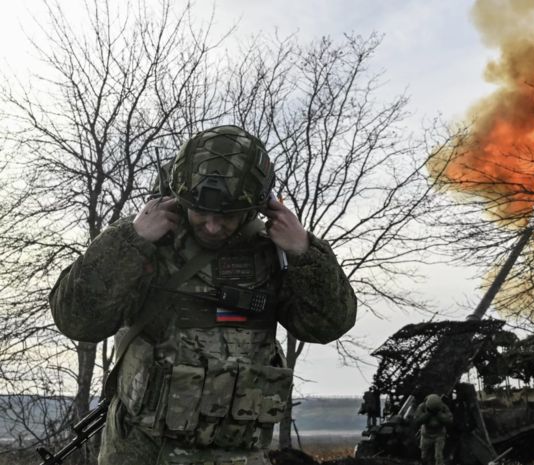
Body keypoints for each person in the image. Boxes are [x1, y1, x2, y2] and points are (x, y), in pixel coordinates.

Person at [49, 125, 357, 465]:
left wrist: (305, 252)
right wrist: (130, 240)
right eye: (200, 211)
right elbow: (76, 320)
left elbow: (328, 325)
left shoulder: (273, 251)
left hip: (237, 455)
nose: (212, 226)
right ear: (179, 195)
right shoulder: (146, 241)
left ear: (258, 205)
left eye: (226, 216)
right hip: (142, 452)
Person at [413, 394, 453, 465]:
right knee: (424, 455)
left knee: (438, 456)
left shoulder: (443, 407)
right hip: (426, 435)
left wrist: (439, 415)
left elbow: (449, 420)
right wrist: (428, 414)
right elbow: (417, 420)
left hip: (439, 435)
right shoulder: (422, 406)